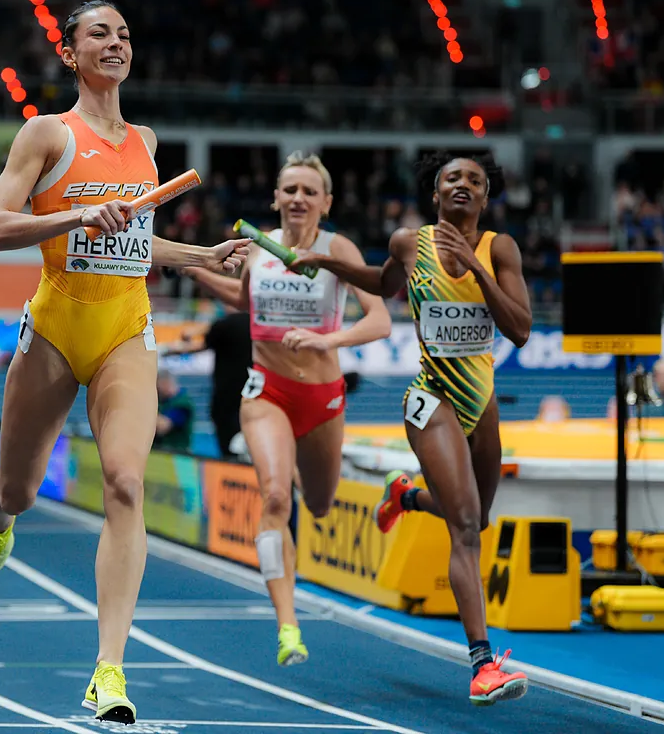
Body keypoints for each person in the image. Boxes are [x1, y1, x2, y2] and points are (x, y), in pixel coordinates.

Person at [0, 0, 250, 725]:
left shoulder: (145, 141)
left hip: (127, 330)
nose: (117, 42)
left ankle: (109, 670)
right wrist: (73, 214)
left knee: (126, 480)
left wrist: (199, 255)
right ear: (70, 53)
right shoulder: (45, 134)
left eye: (126, 33)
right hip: (56, 333)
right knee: (23, 491)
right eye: (100, 33)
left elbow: (133, 244)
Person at [300, 151, 532, 706]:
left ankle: (405, 495)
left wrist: (476, 269)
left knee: (478, 516)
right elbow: (380, 283)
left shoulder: (499, 249)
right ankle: (482, 665)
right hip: (430, 399)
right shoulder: (411, 243)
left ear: (484, 196)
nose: (463, 185)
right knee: (468, 525)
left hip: (483, 404)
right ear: (436, 192)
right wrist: (325, 264)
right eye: (452, 177)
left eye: (474, 180)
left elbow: (520, 329)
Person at [185, 151, 392, 667]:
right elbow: (244, 300)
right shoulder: (257, 246)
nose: (298, 198)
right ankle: (288, 627)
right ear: (276, 199)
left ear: (325, 201)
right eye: (289, 190)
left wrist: (331, 341)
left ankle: (341, 484)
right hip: (267, 392)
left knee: (319, 504)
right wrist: (194, 267)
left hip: (322, 399)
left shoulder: (337, 247)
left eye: (308, 191)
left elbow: (381, 320)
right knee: (275, 497)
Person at [159, 310, 252, 459]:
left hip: (227, 396)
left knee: (230, 444)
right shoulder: (255, 323)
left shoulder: (224, 324)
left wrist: (175, 350)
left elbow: (202, 344)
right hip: (253, 392)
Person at [154, 369, 194, 451]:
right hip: (158, 452)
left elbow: (163, 426)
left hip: (178, 454)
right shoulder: (161, 401)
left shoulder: (181, 403)